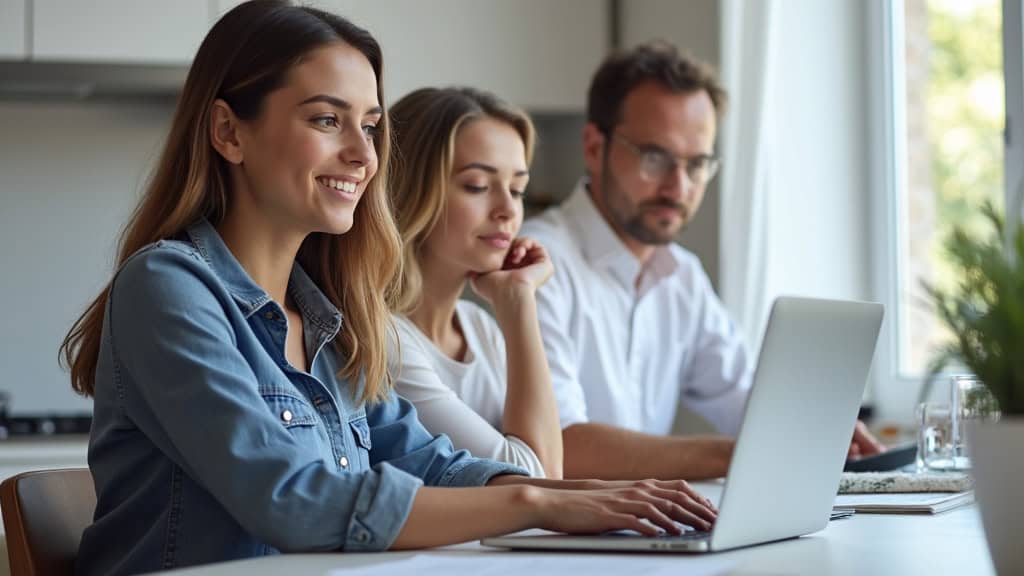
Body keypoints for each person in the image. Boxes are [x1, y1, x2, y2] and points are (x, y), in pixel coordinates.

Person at [60, 4, 716, 573]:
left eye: (370, 126)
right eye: (326, 120)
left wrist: (580, 500)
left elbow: (434, 462)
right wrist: (536, 501)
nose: (364, 155)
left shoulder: (330, 321)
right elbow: (293, 498)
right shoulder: (167, 287)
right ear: (229, 131)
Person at [522, 41, 884, 481]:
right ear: (595, 148)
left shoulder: (681, 276)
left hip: (638, 531)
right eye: (656, 158)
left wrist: (822, 430)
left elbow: (743, 394)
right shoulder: (534, 265)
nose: (679, 187)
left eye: (697, 164)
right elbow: (560, 447)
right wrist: (747, 454)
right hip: (550, 540)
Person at [387, 87, 560, 479]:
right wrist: (519, 304)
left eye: (517, 189)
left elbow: (547, 472)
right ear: (410, 191)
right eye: (478, 186)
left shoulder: (478, 327)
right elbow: (538, 481)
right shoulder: (385, 340)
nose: (507, 210)